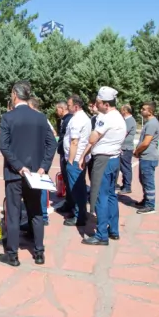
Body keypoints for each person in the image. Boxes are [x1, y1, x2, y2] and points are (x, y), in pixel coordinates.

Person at [0, 81, 57, 266]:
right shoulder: (40, 118)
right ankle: (39, 253)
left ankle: (13, 255)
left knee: (14, 213)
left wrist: (18, 166)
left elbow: (4, 146)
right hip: (35, 174)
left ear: (15, 95)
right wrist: (43, 166)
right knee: (36, 213)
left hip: (14, 174)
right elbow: (52, 144)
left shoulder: (8, 117)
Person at [79, 86, 127, 245]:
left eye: (99, 103)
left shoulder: (105, 118)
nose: (96, 105)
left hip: (103, 160)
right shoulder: (119, 116)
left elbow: (92, 139)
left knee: (101, 196)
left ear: (106, 104)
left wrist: (84, 154)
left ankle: (101, 235)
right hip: (114, 159)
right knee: (112, 195)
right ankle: (113, 230)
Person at [59, 95, 91, 227]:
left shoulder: (77, 120)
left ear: (76, 106)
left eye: (69, 105)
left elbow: (74, 141)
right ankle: (80, 213)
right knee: (80, 188)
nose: (68, 107)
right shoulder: (83, 118)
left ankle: (79, 216)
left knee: (76, 189)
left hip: (76, 159)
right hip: (80, 158)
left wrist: (71, 161)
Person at [28, 96, 55, 226]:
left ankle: (43, 215)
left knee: (41, 186)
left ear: (32, 106)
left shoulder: (40, 118)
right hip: (40, 157)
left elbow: (52, 136)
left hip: (41, 158)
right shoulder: (42, 118)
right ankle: (39, 215)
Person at [133, 101, 159, 214]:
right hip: (145, 157)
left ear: (150, 111)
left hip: (149, 157)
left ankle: (150, 205)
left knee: (148, 181)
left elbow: (146, 143)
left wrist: (137, 151)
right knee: (143, 179)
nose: (141, 110)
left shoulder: (152, 124)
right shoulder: (149, 123)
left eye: (144, 109)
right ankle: (146, 200)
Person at [117, 104, 136, 194]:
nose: (120, 111)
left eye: (122, 110)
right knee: (123, 167)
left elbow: (123, 133)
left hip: (126, 148)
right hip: (124, 147)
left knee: (126, 167)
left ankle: (127, 186)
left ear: (125, 111)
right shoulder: (126, 120)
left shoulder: (129, 121)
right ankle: (125, 185)